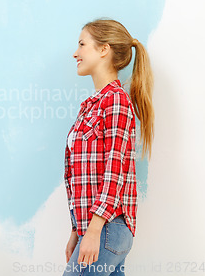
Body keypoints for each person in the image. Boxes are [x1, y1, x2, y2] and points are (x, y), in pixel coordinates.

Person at [63, 19, 154, 276]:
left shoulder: (114, 102)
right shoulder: (93, 105)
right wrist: (77, 232)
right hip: (98, 229)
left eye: (82, 44)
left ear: (104, 49)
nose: (75, 52)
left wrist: (93, 233)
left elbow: (115, 172)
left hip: (106, 228)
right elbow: (81, 177)